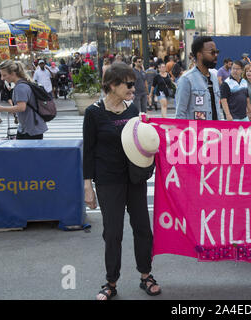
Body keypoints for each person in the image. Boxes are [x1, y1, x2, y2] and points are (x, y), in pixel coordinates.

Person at [83, 62, 161, 300]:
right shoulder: (93, 112)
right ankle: (111, 282)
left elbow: (141, 141)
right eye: (128, 84)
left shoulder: (132, 110)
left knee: (142, 229)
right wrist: (88, 186)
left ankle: (146, 275)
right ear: (112, 85)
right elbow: (88, 151)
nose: (132, 88)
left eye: (133, 83)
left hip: (134, 179)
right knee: (113, 232)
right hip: (108, 181)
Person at [0, 60, 48, 139]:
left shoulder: (20, 87)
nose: (2, 78)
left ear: (13, 73)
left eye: (4, 75)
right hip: (29, 127)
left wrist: (1, 108)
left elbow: (21, 107)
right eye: (1, 75)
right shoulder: (23, 83)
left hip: (30, 130)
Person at [175, 36, 223, 121]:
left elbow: (217, 110)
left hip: (215, 131)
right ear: (199, 55)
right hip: (196, 132)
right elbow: (180, 114)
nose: (215, 55)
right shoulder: (186, 80)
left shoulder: (214, 78)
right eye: (212, 52)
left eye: (217, 52)